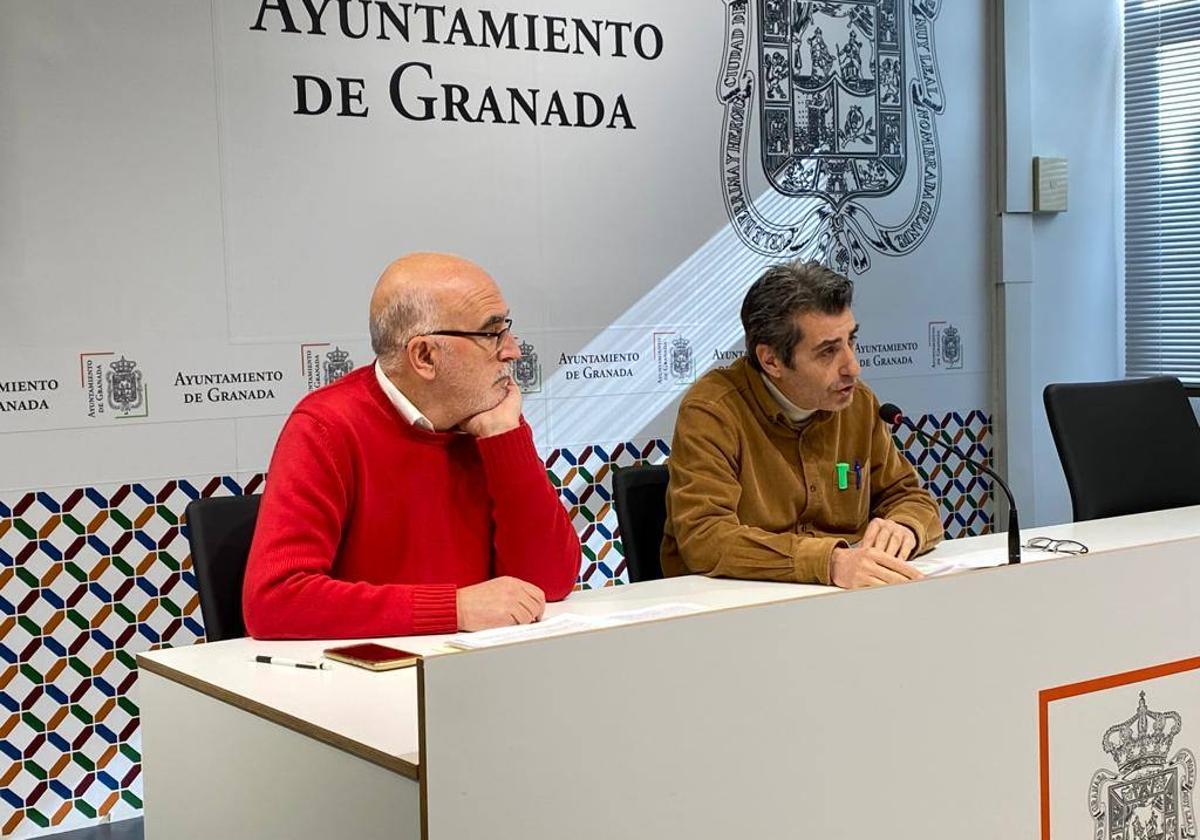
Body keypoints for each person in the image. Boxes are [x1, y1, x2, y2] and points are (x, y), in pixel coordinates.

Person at [242, 253, 580, 638]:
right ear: (424, 356)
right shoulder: (326, 427)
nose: (513, 350)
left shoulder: (491, 420)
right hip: (368, 681)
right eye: (492, 334)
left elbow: (550, 581)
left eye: (507, 328)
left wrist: (505, 438)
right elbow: (274, 600)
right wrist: (454, 609)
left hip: (480, 669)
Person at [660, 260, 942, 589]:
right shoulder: (712, 411)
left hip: (845, 603)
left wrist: (904, 526)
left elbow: (912, 498)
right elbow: (705, 538)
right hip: (733, 612)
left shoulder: (859, 404)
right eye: (828, 351)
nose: (853, 366)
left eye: (851, 341)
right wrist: (829, 561)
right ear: (772, 360)